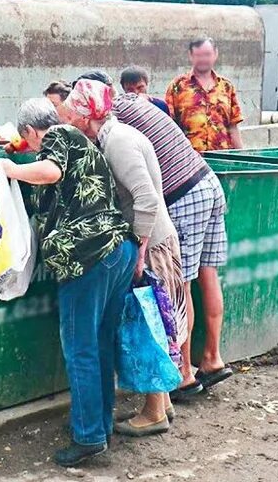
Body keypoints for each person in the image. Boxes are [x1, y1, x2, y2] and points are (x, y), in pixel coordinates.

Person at [0, 98, 135, 467]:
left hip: (88, 256)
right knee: (100, 343)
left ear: (30, 131)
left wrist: (10, 167)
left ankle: (87, 436)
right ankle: (100, 426)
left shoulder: (59, 134)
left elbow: (51, 172)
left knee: (80, 348)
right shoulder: (83, 144)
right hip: (116, 251)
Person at [64, 79, 188, 437]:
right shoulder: (114, 135)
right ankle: (160, 404)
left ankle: (153, 412)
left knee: (149, 325)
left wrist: (140, 252)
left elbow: (146, 199)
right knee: (154, 319)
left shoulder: (118, 142)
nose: (71, 121)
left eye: (74, 114)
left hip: (153, 242)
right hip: (152, 238)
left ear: (88, 116)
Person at [111, 91, 233, 400]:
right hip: (207, 181)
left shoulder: (113, 122)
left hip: (182, 195)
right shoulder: (136, 103)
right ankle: (212, 358)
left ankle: (183, 375)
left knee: (180, 284)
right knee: (208, 274)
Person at [165, 37, 245, 152]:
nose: (203, 59)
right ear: (190, 55)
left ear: (215, 54)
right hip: (190, 159)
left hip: (223, 158)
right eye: (198, 55)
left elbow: (233, 126)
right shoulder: (177, 86)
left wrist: (241, 156)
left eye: (207, 55)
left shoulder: (227, 87)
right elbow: (169, 126)